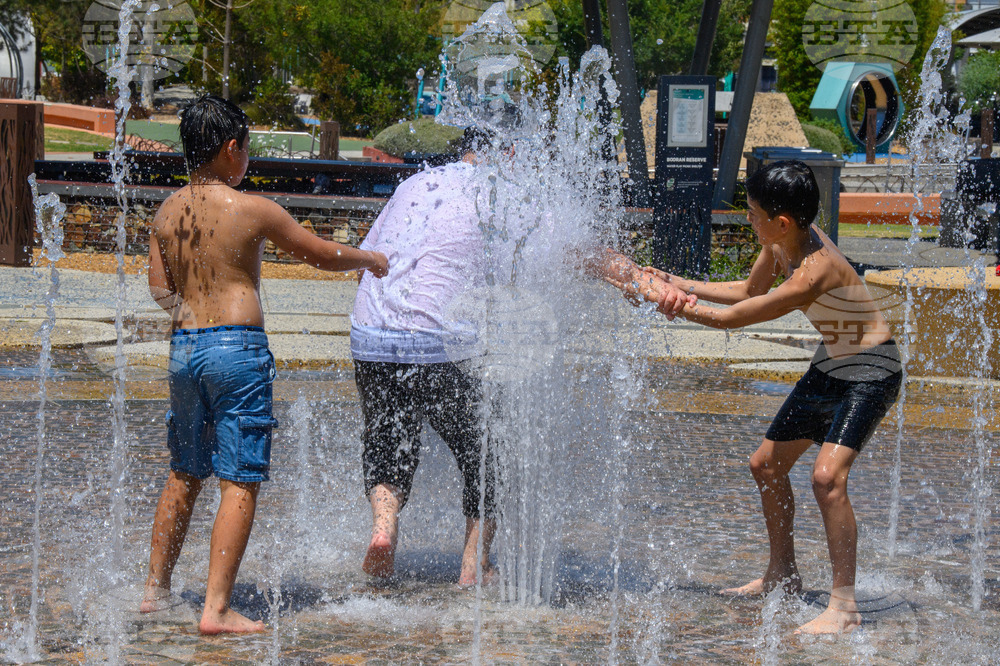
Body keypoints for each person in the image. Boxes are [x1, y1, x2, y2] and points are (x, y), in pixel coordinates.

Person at [604, 160, 901, 635]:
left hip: (871, 371)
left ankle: (844, 605)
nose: (747, 218)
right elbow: (748, 289)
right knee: (765, 465)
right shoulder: (781, 241)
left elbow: (734, 317)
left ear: (782, 221)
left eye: (753, 211)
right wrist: (680, 284)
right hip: (831, 364)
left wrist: (672, 303)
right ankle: (782, 573)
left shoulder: (813, 272)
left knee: (827, 479)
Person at [139, 94, 388, 634]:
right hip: (238, 351)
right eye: (246, 148)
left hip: (184, 350)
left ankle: (154, 591)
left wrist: (193, 315)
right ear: (232, 149)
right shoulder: (251, 208)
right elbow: (320, 253)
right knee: (240, 478)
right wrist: (370, 259)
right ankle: (218, 609)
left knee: (184, 471)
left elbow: (159, 289)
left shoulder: (166, 212)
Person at [350, 128, 497, 587]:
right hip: (438, 341)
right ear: (505, 150)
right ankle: (474, 567)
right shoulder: (502, 191)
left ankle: (383, 527)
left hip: (372, 333)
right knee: (490, 450)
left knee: (390, 441)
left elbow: (366, 260)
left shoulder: (416, 184)